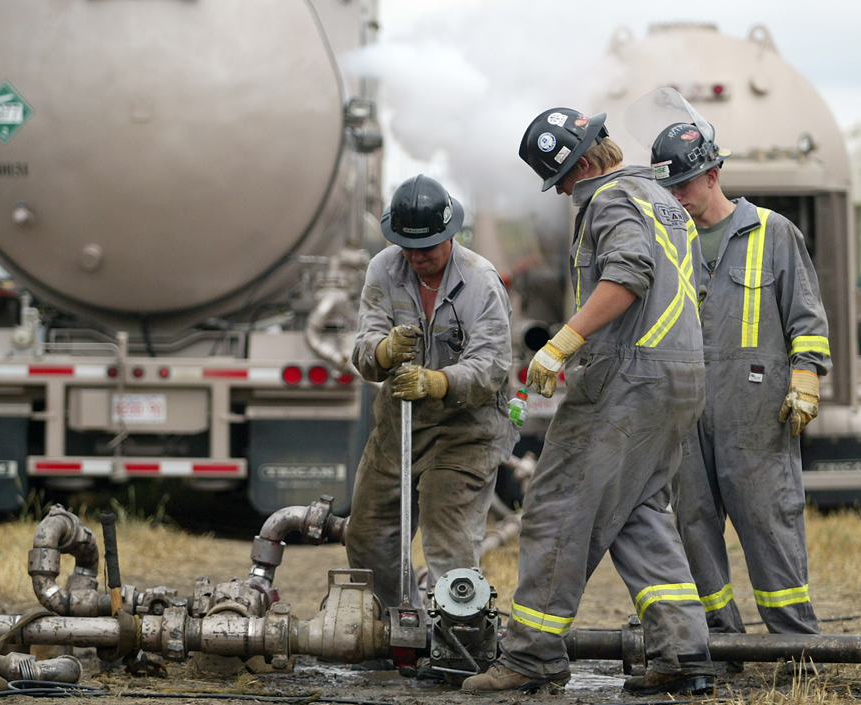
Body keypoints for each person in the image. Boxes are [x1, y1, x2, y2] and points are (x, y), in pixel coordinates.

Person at [463, 108, 714, 696]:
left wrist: (562, 345)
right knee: (640, 513)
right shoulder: (664, 200)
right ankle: (683, 652)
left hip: (627, 380)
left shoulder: (608, 199)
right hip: (679, 377)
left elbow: (629, 275)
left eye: (560, 181)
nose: (563, 193)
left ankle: (532, 657)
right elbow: (694, 286)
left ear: (575, 168)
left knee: (556, 505)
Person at [650, 119, 830, 649]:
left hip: (756, 412)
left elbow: (806, 316)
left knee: (769, 523)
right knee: (693, 525)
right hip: (684, 410)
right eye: (669, 187)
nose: (677, 197)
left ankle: (795, 644)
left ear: (714, 174)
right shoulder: (665, 241)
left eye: (684, 183)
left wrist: (806, 376)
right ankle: (717, 642)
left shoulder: (773, 232)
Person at [344, 174, 514, 612]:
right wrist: (383, 351)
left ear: (450, 234)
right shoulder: (383, 268)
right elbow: (364, 349)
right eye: (408, 246)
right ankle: (396, 626)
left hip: (466, 429)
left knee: (448, 538)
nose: (417, 256)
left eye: (428, 247)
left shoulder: (481, 281)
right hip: (399, 425)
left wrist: (439, 382)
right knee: (367, 534)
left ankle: (453, 636)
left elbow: (492, 364)